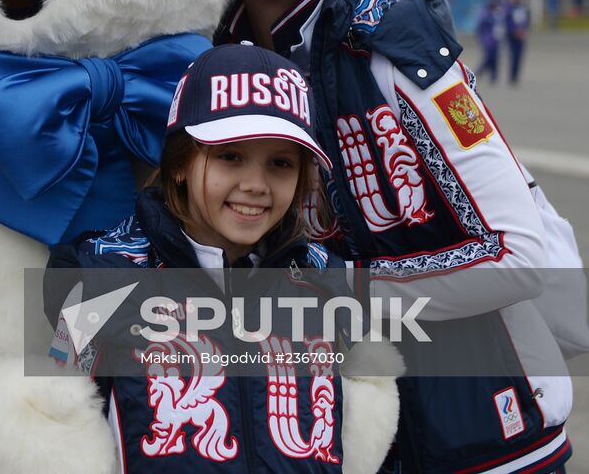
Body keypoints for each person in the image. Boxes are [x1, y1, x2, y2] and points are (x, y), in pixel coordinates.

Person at [216, 0, 571, 474]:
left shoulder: (394, 38)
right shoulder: (213, 53)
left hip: (482, 424)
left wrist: (341, 294)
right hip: (338, 431)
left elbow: (518, 256)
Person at [49, 44, 399, 474]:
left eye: (281, 164)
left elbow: (361, 416)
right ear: (180, 162)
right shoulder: (103, 277)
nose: (256, 184)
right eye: (231, 156)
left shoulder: (327, 279)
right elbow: (58, 430)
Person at [474, 0, 503, 86]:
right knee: (489, 57)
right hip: (487, 39)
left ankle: (493, 76)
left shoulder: (498, 13)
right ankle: (479, 71)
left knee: (495, 58)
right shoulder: (485, 13)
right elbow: (480, 26)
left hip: (496, 39)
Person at [505, 0, 531, 85]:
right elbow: (507, 22)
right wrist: (515, 31)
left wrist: (524, 30)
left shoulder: (522, 7)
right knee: (514, 55)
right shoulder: (508, 7)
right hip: (512, 36)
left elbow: (526, 20)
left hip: (521, 36)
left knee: (519, 56)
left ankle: (516, 75)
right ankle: (512, 76)